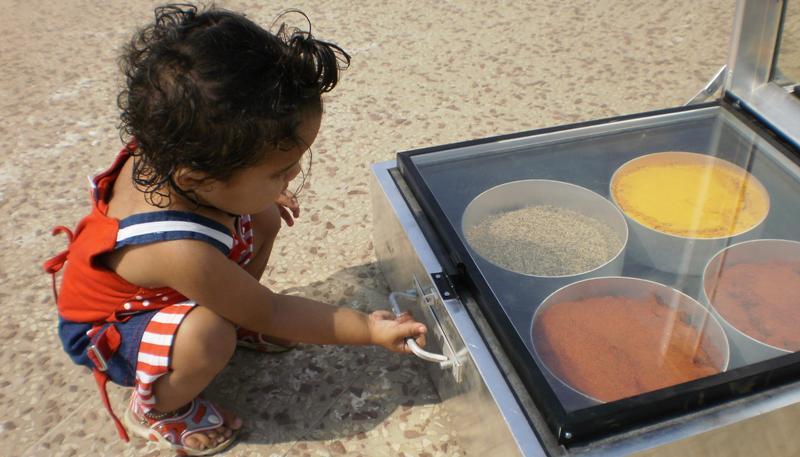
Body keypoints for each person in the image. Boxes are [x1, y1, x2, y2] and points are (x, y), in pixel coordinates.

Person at [43, 4, 427, 455]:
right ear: (199, 179)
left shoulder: (176, 149)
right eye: (279, 171)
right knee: (209, 336)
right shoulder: (177, 250)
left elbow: (237, 205)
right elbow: (274, 312)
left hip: (179, 274)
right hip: (116, 329)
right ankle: (157, 408)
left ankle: (234, 313)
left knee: (263, 215)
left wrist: (260, 191)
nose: (293, 175)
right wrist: (368, 329)